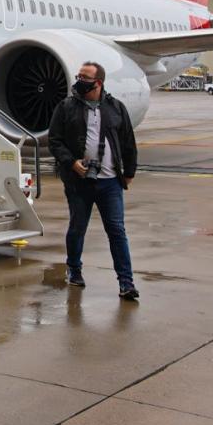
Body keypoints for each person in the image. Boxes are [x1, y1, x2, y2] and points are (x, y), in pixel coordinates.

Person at [47, 61, 140, 300]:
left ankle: (126, 282)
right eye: (78, 76)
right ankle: (74, 269)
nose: (78, 81)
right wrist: (71, 163)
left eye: (84, 78)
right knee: (78, 228)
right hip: (79, 182)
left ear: (98, 83)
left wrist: (129, 172)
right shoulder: (66, 107)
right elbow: (55, 141)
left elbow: (128, 141)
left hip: (110, 181)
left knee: (117, 231)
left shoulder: (116, 108)